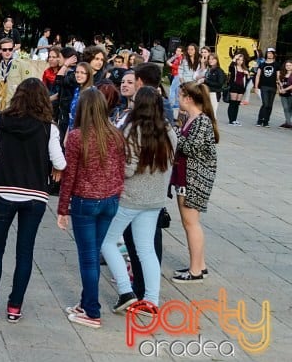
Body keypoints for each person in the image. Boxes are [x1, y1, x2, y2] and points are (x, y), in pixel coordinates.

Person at [0, 78, 66, 323]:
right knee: (25, 251)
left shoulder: (2, 121)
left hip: (4, 189)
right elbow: (60, 162)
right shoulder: (48, 128)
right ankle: (15, 307)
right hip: (35, 194)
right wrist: (54, 169)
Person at [100, 87, 176, 314]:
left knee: (107, 241)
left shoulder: (132, 129)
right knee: (146, 249)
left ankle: (126, 291)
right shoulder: (169, 131)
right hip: (155, 199)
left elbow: (129, 168)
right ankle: (151, 301)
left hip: (130, 198)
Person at [56, 89, 126, 329]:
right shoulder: (116, 134)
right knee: (94, 253)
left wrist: (62, 208)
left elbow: (70, 175)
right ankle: (86, 303)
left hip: (86, 200)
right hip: (109, 200)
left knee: (88, 257)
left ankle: (93, 311)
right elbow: (120, 170)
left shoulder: (78, 136)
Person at [170, 82, 219, 283]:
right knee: (189, 223)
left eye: (180, 96)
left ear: (188, 98)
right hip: (185, 175)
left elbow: (191, 148)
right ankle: (200, 264)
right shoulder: (191, 119)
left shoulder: (201, 121)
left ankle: (195, 270)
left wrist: (172, 133)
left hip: (194, 178)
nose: (178, 99)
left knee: (191, 223)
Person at [0, 37, 30, 110]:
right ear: (0, 50)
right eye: (4, 50)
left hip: (17, 106)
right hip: (3, 107)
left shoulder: (21, 64)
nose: (8, 52)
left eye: (10, 49)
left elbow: (29, 86)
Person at [254, 47, 279, 127]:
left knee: (270, 105)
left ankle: (266, 121)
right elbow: (258, 75)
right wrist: (256, 86)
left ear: (274, 55)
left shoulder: (277, 64)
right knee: (265, 104)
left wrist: (279, 86)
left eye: (272, 53)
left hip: (273, 87)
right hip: (264, 86)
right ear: (266, 54)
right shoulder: (262, 64)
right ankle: (260, 120)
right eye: (268, 53)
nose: (270, 55)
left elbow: (278, 76)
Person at [226, 51, 250, 125]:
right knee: (232, 103)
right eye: (238, 60)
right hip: (234, 86)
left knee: (237, 104)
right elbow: (230, 68)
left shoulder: (245, 68)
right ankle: (231, 120)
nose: (240, 61)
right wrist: (234, 58)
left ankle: (234, 119)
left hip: (241, 88)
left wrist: (248, 74)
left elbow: (248, 79)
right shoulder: (234, 67)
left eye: (241, 60)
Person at [279, 59, 292, 129]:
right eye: (287, 65)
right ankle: (289, 123)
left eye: (290, 65)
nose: (288, 67)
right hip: (283, 94)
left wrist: (285, 89)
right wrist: (280, 89)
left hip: (290, 93)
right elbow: (279, 82)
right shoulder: (282, 73)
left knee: (290, 108)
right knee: (285, 108)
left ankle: (287, 122)